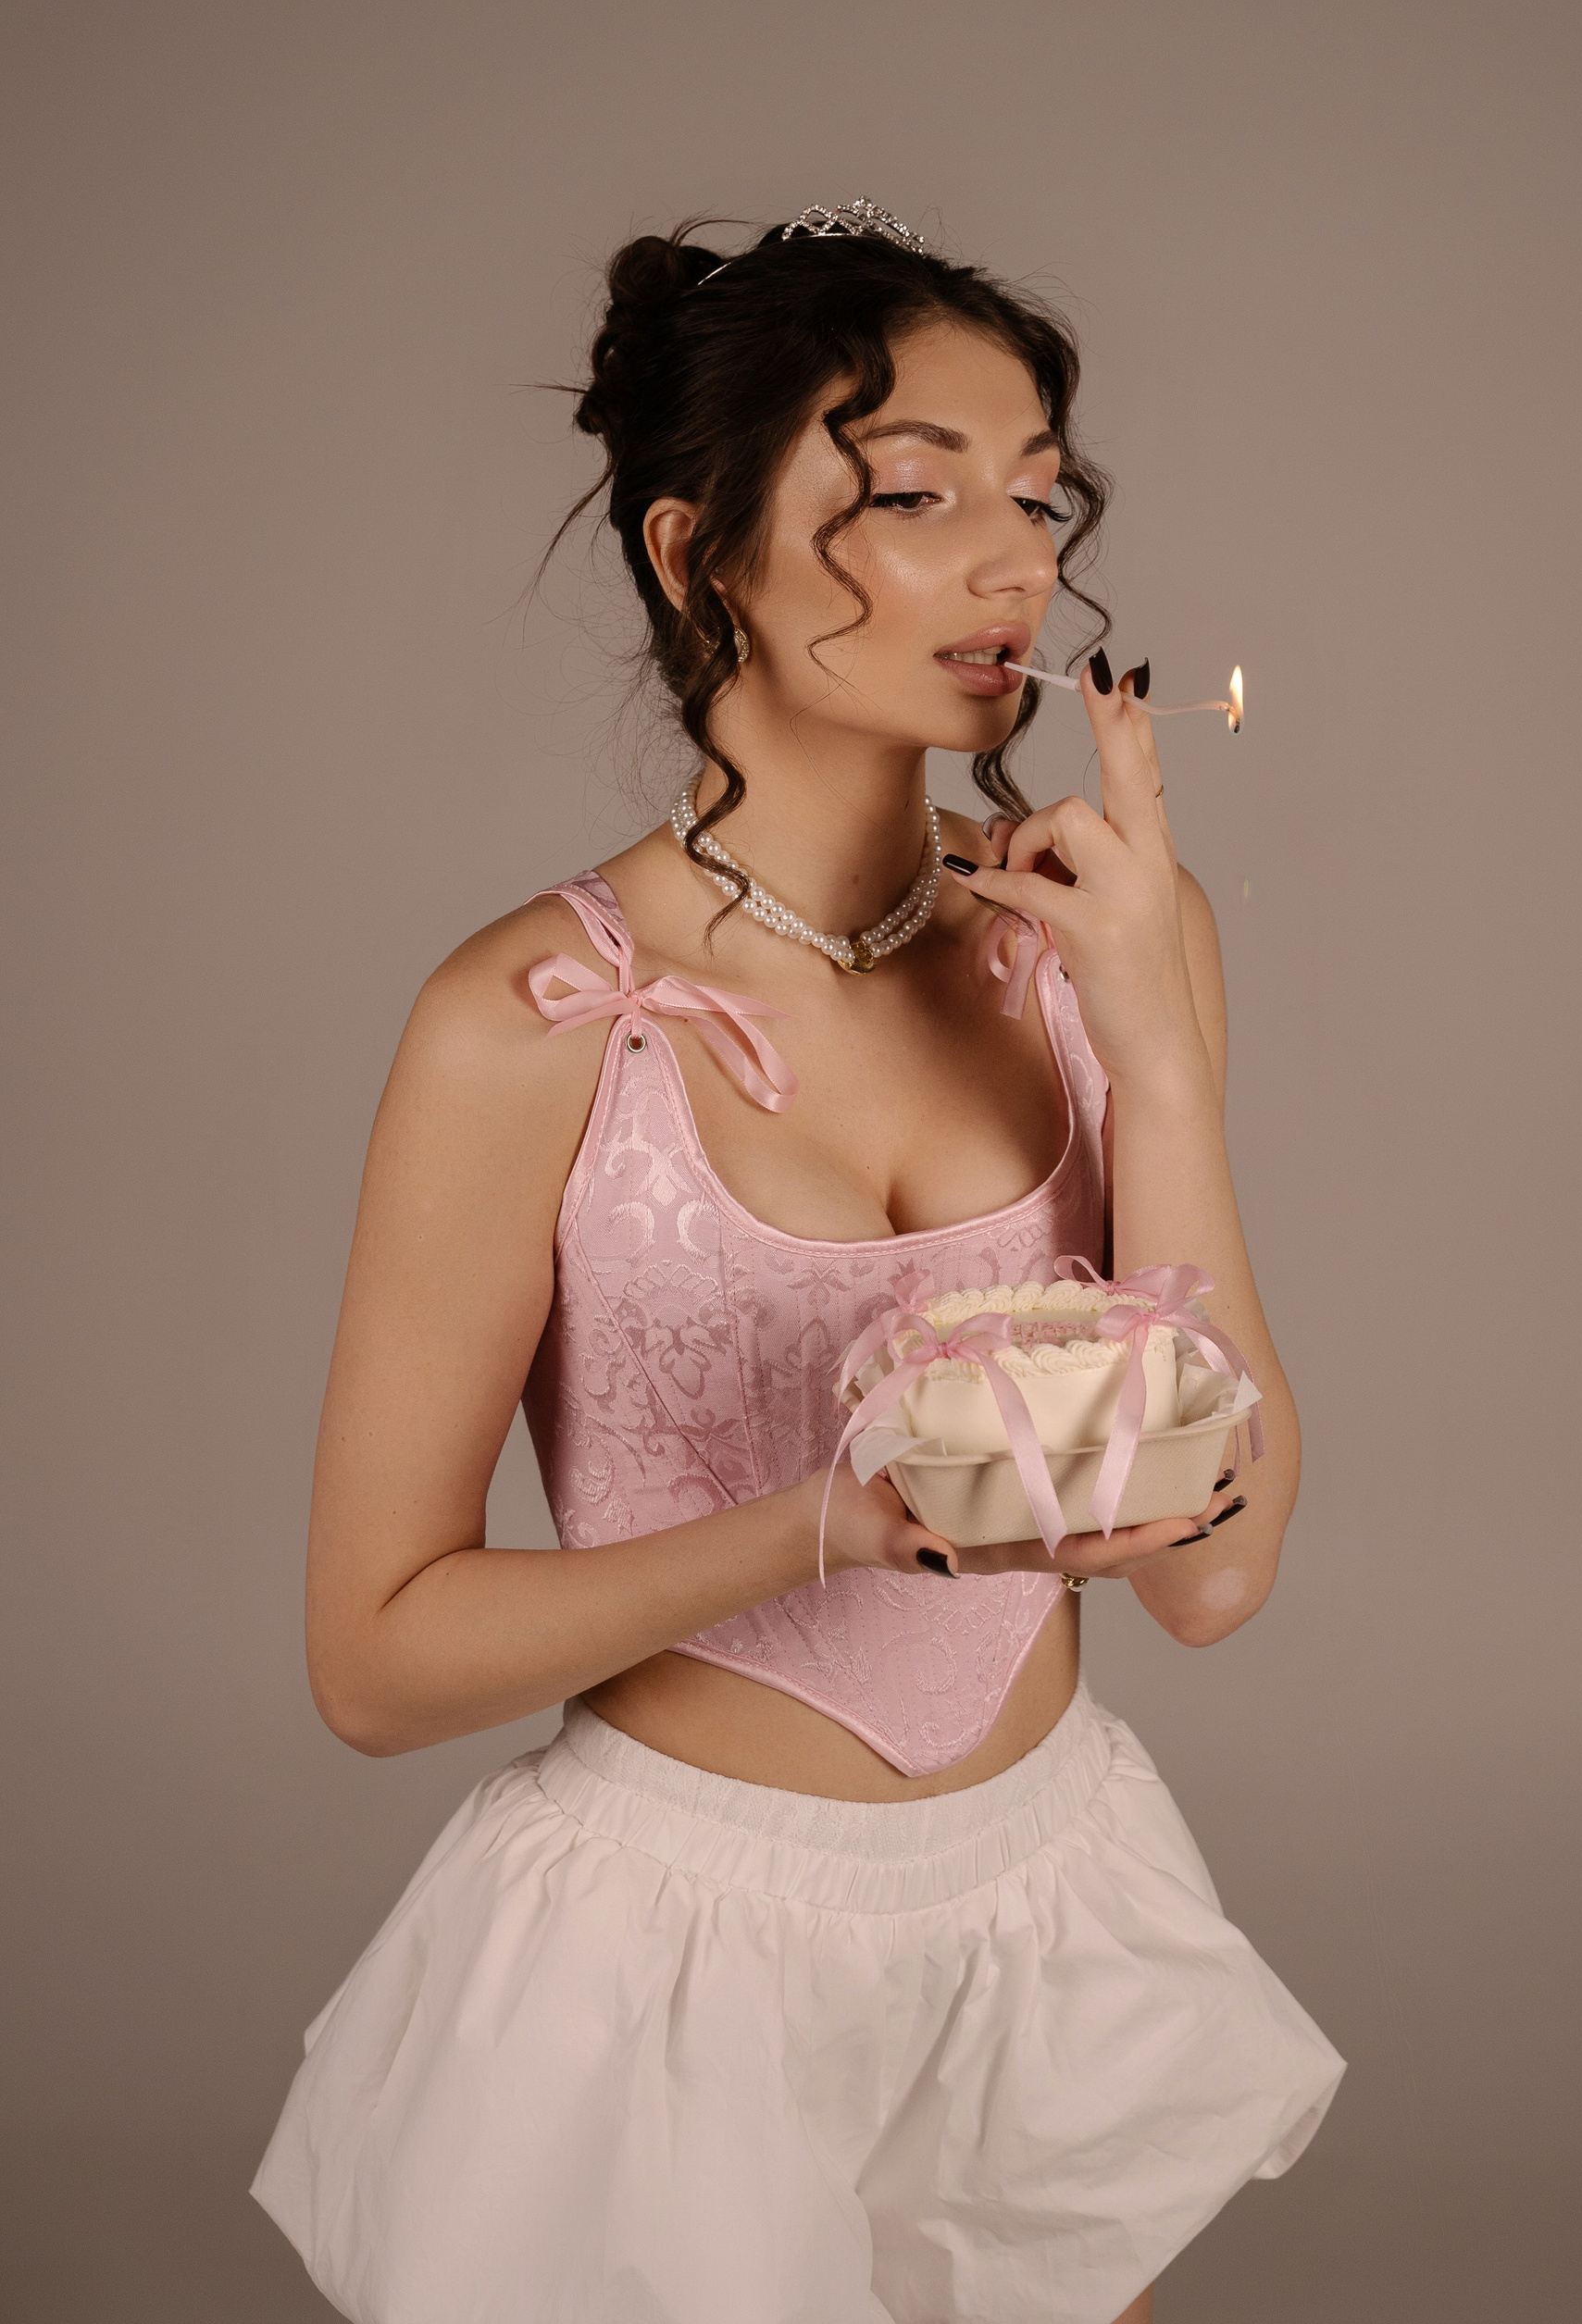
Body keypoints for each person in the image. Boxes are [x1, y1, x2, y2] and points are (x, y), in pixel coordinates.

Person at [252, 201, 1343, 2324]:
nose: (1013, 563)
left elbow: (1214, 1581)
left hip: (1041, 1920)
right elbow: (373, 1664)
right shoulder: (527, 1023)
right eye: (915, 495)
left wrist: (1153, 1049)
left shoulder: (1108, 948)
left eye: (1037, 495)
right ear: (700, 557)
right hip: (669, 1963)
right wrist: (825, 1525)